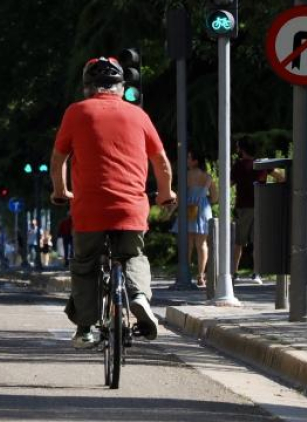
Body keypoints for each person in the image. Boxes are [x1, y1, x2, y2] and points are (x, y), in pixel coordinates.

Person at [50, 56, 176, 349]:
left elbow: (59, 160)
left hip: (89, 209)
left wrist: (61, 190)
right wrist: (165, 193)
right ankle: (138, 297)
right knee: (133, 257)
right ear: (121, 87)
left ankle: (85, 328)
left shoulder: (76, 112)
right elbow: (161, 162)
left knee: (85, 265)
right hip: (131, 208)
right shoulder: (138, 115)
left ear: (88, 88)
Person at [170, 149, 218, 287]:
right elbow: (215, 197)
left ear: (195, 161)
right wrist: (205, 199)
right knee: (202, 244)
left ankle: (185, 274)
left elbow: (179, 196)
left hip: (188, 208)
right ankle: (201, 276)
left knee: (187, 244)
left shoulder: (186, 175)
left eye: (189, 158)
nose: (186, 160)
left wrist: (171, 211)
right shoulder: (207, 177)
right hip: (203, 209)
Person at [231, 137, 267, 282]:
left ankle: (234, 273)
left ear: (242, 149)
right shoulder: (262, 165)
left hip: (243, 208)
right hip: (260, 207)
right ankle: (257, 273)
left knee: (239, 242)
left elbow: (230, 183)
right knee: (257, 242)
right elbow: (280, 176)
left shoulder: (238, 165)